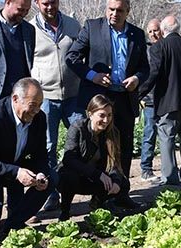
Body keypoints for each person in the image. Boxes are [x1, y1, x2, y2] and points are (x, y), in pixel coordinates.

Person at [66, 0, 149, 208]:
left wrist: (137, 79)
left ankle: (122, 192)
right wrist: (92, 75)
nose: (114, 14)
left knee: (125, 146)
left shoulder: (137, 34)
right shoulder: (92, 27)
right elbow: (72, 57)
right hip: (99, 99)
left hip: (124, 99)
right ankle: (100, 195)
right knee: (101, 148)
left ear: (128, 11)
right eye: (111, 9)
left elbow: (145, 68)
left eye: (119, 10)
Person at [0, 78, 51, 247]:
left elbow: (41, 154)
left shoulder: (39, 118)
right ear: (15, 99)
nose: (36, 110)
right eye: (33, 104)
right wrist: (16, 172)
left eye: (40, 105)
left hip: (14, 164)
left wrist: (41, 172)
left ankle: (13, 224)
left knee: (52, 179)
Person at [138, 15, 181, 185]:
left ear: (162, 30)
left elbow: (153, 74)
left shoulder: (158, 48)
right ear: (179, 28)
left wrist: (138, 93)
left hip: (168, 103)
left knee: (167, 139)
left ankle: (170, 177)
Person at [30, 0, 82, 213]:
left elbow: (82, 53)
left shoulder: (72, 25)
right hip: (46, 97)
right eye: (45, 3)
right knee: (48, 147)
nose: (50, 7)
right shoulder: (30, 29)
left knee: (83, 140)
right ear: (36, 3)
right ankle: (51, 194)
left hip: (74, 95)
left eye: (53, 2)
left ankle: (88, 188)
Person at [57, 94, 130, 221]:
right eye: (102, 115)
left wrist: (116, 181)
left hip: (95, 178)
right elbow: (69, 159)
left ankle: (99, 204)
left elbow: (115, 162)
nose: (106, 120)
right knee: (69, 177)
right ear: (90, 114)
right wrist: (96, 174)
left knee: (122, 184)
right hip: (77, 176)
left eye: (109, 115)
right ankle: (65, 211)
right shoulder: (78, 128)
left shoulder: (113, 132)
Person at [139, 18, 162, 183]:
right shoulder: (145, 51)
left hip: (167, 98)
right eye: (151, 31)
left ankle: (170, 167)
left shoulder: (167, 47)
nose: (153, 34)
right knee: (150, 133)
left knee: (167, 135)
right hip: (151, 99)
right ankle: (146, 168)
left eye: (156, 30)